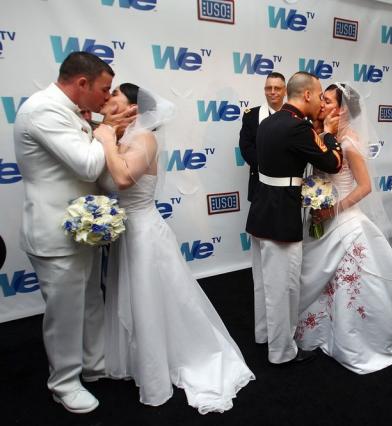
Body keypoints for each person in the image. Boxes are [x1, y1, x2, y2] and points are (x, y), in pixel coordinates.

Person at [93, 84, 254, 413]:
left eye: (116, 96)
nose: (108, 99)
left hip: (144, 233)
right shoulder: (121, 139)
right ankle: (137, 357)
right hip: (125, 231)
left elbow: (123, 179)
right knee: (134, 296)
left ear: (134, 108)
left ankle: (163, 367)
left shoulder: (144, 139)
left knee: (151, 297)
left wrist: (106, 141)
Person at [13, 52, 134, 414]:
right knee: (64, 313)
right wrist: (107, 130)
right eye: (104, 89)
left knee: (91, 300)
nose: (107, 97)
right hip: (53, 233)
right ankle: (63, 383)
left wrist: (104, 129)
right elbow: (87, 164)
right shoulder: (43, 110)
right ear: (82, 83)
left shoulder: (73, 111)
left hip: (84, 229)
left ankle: (95, 364)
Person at [295, 83, 392, 374]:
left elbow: (365, 186)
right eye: (322, 99)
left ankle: (352, 341)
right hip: (320, 218)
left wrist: (332, 209)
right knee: (320, 280)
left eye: (328, 100)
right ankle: (319, 331)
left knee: (347, 285)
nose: (322, 104)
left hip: (344, 222)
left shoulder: (348, 142)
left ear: (343, 109)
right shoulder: (323, 136)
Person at [245, 72, 343, 365]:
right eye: (319, 96)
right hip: (281, 218)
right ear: (308, 95)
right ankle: (282, 352)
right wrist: (329, 133)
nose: (321, 103)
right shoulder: (299, 127)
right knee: (283, 288)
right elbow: (333, 163)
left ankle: (264, 335)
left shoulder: (268, 121)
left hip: (260, 212)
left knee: (262, 283)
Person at [239, 72, 286, 202]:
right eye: (268, 88)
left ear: (285, 91)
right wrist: (269, 167)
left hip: (288, 185)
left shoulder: (296, 116)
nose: (272, 92)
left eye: (277, 88)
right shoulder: (251, 115)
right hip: (260, 183)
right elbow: (246, 148)